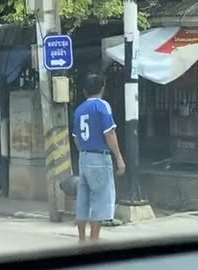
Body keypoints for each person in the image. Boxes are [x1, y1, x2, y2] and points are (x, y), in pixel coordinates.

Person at [72, 73, 126, 243]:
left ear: (84, 91)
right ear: (102, 88)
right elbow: (109, 133)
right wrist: (119, 157)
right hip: (100, 158)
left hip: (84, 157)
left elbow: (75, 137)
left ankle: (81, 238)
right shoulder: (103, 106)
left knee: (83, 199)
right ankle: (94, 240)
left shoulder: (79, 110)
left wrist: (83, 152)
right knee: (101, 199)